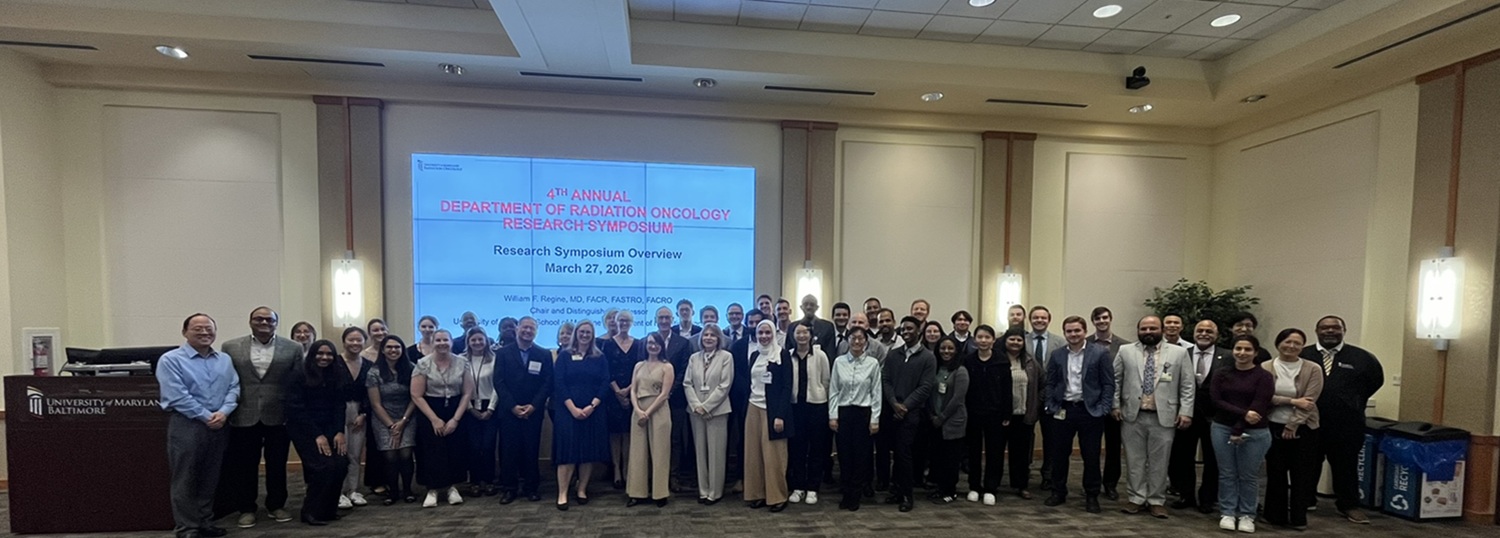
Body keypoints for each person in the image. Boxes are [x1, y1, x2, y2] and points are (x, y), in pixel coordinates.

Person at [159, 313, 240, 538]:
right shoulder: (171, 360)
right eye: (198, 329)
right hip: (187, 424)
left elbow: (234, 387)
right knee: (185, 477)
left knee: (210, 476)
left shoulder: (224, 359)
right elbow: (177, 395)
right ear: (185, 332)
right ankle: (187, 527)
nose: (205, 332)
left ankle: (205, 521)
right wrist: (206, 416)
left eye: (209, 328)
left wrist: (223, 413)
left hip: (220, 424)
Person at [218, 307, 300, 528]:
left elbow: (297, 381)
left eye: (269, 319)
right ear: (250, 322)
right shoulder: (230, 347)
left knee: (277, 464)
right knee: (245, 465)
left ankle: (276, 505)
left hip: (279, 415)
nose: (264, 322)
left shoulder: (293, 348)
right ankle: (246, 508)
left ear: (276, 323)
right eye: (259, 319)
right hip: (244, 413)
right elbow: (225, 379)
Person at [1300, 315, 1383, 524]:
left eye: (1335, 328)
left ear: (1343, 330)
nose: (1329, 331)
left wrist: (1351, 401)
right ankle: (1305, 500)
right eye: (1324, 328)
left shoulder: (1362, 357)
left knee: (1346, 466)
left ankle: (1349, 505)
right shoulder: (1303, 354)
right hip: (1309, 421)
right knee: (1307, 463)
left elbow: (1375, 381)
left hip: (1347, 424)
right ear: (1316, 331)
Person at [1112, 316, 1194, 518]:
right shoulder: (1126, 351)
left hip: (1164, 416)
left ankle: (1157, 500)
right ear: (1138, 330)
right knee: (1134, 460)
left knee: (1160, 461)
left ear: (1162, 329)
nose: (1148, 331)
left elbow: (1187, 385)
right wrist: (1115, 405)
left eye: (1153, 328)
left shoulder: (1179, 353)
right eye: (1144, 328)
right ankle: (1136, 498)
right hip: (1133, 414)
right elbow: (1115, 380)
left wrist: (1185, 411)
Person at [1042, 315, 1112, 514]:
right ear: (1064, 333)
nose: (1073, 334)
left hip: (1089, 411)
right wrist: (1050, 404)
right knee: (1059, 454)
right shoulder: (1057, 355)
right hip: (1063, 410)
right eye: (1069, 331)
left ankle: (1091, 495)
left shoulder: (1099, 353)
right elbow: (1050, 383)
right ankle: (1058, 491)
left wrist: (1104, 408)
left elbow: (1108, 384)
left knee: (1091, 456)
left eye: (1077, 330)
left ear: (1084, 331)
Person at [1210, 334, 1275, 533]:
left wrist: (1239, 427)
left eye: (1247, 350)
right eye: (1238, 349)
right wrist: (1243, 414)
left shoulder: (1264, 376)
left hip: (1255, 432)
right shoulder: (1221, 373)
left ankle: (1247, 514)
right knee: (1227, 473)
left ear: (1255, 353)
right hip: (1222, 428)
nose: (1242, 353)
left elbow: (1260, 404)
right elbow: (1216, 400)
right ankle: (1228, 512)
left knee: (1248, 475)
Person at [282, 340, 349, 526]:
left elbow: (339, 406)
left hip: (329, 427)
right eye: (320, 353)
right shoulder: (298, 375)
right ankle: (310, 511)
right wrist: (316, 435)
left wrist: (338, 432)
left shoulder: (336, 374)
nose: (324, 357)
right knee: (323, 467)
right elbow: (296, 409)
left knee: (341, 464)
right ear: (312, 354)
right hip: (304, 428)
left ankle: (328, 510)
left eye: (329, 354)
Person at [1262, 328, 1323, 531]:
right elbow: (1266, 397)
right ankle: (1274, 516)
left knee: (1301, 474)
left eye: (1297, 343)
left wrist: (1292, 425)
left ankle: (1298, 518)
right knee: (1276, 472)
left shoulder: (1313, 368)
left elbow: (1310, 401)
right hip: (1272, 425)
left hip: (1304, 428)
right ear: (1278, 343)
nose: (1291, 346)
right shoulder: (1266, 367)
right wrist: (1292, 400)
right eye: (1287, 342)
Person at [1168, 320, 1230, 513]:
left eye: (1209, 331)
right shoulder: (1180, 354)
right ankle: (1186, 495)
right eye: (1200, 330)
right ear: (1193, 333)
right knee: (1183, 457)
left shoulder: (1228, 356)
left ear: (1216, 334)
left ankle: (1208, 498)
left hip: (1216, 417)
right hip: (1186, 415)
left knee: (1213, 459)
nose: (1204, 334)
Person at [410, 329, 474, 508]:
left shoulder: (462, 362)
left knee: (455, 449)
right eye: (438, 340)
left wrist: (455, 419)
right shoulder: (423, 364)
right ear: (433, 342)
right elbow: (416, 395)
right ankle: (433, 489)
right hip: (430, 409)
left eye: (445, 339)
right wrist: (434, 419)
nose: (442, 343)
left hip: (455, 408)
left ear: (451, 342)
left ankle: (452, 487)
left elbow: (467, 392)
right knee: (432, 450)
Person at [552, 320, 611, 510]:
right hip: (567, 411)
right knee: (567, 454)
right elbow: (559, 383)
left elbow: (604, 382)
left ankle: (582, 489)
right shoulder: (564, 356)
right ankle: (562, 493)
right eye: (582, 332)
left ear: (593, 335)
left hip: (592, 411)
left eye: (588, 332)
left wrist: (592, 406)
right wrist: (573, 408)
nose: (585, 335)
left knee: (587, 453)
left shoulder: (599, 356)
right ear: (576, 333)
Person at [494, 317, 553, 504]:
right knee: (509, 451)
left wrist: (533, 406)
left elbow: (547, 383)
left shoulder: (543, 354)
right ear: (517, 328)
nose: (527, 331)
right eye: (525, 327)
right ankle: (509, 489)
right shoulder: (503, 353)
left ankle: (531, 488)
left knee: (531, 450)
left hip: (533, 411)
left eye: (531, 328)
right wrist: (513, 406)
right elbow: (499, 381)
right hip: (509, 411)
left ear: (536, 331)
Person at [882, 316, 936, 512]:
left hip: (912, 414)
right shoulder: (893, 354)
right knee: (895, 453)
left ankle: (907, 495)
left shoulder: (928, 357)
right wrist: (894, 404)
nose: (905, 331)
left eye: (909, 328)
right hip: (892, 411)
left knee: (904, 454)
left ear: (919, 331)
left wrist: (905, 406)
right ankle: (896, 490)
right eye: (903, 329)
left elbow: (926, 386)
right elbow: (886, 380)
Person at [744, 320, 794, 512]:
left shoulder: (782, 355)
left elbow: (787, 387)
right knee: (753, 455)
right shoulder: (754, 355)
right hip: (753, 407)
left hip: (773, 411)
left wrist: (780, 415)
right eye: (760, 333)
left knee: (774, 456)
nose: (764, 336)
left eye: (767, 333)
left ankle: (778, 496)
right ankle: (756, 494)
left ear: (773, 334)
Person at [829, 329, 881, 511]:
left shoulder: (873, 364)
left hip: (863, 413)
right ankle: (846, 491)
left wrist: (875, 419)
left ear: (866, 341)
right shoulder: (839, 362)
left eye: (861, 338)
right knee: (844, 455)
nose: (857, 342)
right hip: (843, 413)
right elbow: (833, 391)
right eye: (853, 338)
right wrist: (833, 416)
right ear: (848, 340)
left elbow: (876, 393)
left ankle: (855, 494)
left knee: (861, 456)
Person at [965, 325, 1015, 505]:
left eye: (987, 337)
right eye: (980, 337)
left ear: (993, 340)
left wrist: (1007, 413)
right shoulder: (969, 361)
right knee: (974, 452)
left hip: (996, 414)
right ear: (975, 339)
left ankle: (990, 488)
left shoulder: (1001, 361)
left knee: (995, 452)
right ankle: (974, 486)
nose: (983, 340)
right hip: (973, 413)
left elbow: (1007, 390)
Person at [684, 324, 734, 504]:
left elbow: (725, 385)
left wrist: (707, 406)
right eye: (706, 335)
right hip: (695, 412)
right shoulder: (693, 358)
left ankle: (715, 492)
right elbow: (687, 383)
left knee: (716, 453)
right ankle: (703, 490)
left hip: (718, 411)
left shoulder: (726, 357)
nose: (709, 338)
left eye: (713, 335)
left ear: (719, 338)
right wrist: (697, 405)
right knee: (700, 452)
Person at [626, 332, 675, 507]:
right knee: (638, 452)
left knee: (660, 452)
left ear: (662, 346)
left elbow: (664, 394)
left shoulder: (667, 367)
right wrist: (639, 411)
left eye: (656, 343)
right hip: (638, 410)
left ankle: (660, 493)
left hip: (659, 410)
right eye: (650, 343)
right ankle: (636, 492)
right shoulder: (639, 365)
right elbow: (633, 390)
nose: (653, 346)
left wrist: (648, 412)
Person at [366, 335, 417, 505]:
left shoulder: (411, 369)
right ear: (383, 350)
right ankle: (393, 492)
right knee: (390, 456)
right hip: (382, 418)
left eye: (397, 347)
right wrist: (391, 426)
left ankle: (408, 490)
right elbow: (375, 404)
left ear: (402, 350)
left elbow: (415, 397)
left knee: (405, 453)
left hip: (408, 416)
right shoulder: (374, 372)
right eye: (389, 347)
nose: (393, 350)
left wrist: (403, 421)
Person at [785, 323, 831, 505]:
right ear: (793, 335)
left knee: (816, 449)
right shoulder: (788, 355)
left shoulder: (820, 355)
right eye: (798, 332)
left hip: (817, 407)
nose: (802, 335)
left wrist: (821, 397)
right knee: (797, 448)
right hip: (796, 407)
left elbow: (826, 381)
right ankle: (798, 487)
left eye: (805, 332)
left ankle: (813, 488)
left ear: (811, 335)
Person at [1087, 306, 1129, 501]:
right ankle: (1091, 483)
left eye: (1105, 317)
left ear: (1110, 319)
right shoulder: (1084, 343)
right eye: (1097, 318)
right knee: (1091, 448)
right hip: (1091, 404)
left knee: (1113, 447)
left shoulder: (1125, 346)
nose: (1101, 321)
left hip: (1115, 406)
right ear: (1093, 321)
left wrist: (1116, 404)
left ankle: (1110, 484)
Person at [654, 306, 697, 493]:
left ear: (673, 319)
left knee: (675, 440)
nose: (664, 321)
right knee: (655, 439)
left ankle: (673, 477)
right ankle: (656, 477)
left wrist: (669, 391)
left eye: (667, 318)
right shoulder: (647, 341)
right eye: (661, 318)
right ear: (656, 320)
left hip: (676, 400)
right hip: (651, 401)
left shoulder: (682, 343)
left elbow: (684, 370)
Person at [726, 308, 768, 494]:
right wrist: (749, 388)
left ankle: (765, 480)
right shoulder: (738, 346)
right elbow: (735, 373)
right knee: (743, 440)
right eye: (750, 323)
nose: (752, 326)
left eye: (756, 323)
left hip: (765, 400)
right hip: (742, 399)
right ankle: (742, 478)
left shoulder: (771, 347)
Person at [600, 310, 642, 490]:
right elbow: (605, 370)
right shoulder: (606, 345)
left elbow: (640, 369)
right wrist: (618, 392)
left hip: (634, 394)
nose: (623, 323)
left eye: (627, 320)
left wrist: (629, 390)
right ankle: (616, 470)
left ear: (632, 323)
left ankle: (627, 469)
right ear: (615, 322)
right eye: (620, 320)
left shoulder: (639, 344)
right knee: (615, 435)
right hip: (612, 395)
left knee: (628, 433)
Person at [927, 335, 969, 504]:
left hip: (952, 422)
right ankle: (939, 487)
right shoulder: (935, 368)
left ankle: (950, 491)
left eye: (950, 348)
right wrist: (932, 415)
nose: (946, 351)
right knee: (938, 457)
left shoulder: (960, 371)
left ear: (956, 351)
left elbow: (958, 399)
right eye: (943, 348)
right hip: (934, 420)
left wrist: (942, 418)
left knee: (951, 459)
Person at [335, 327, 373, 510]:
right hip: (337, 411)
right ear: (344, 341)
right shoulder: (334, 362)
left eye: (359, 340)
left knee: (355, 454)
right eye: (351, 340)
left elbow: (370, 393)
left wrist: (364, 414)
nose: (355, 343)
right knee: (339, 453)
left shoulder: (367, 365)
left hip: (359, 412)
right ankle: (339, 492)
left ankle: (353, 490)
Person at [1004, 326, 1043, 499]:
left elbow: (1043, 383)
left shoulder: (1030, 362)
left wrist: (1037, 403)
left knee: (1021, 453)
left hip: (1024, 414)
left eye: (1019, 340)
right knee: (997, 452)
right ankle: (993, 484)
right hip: (1002, 415)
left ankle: (1021, 485)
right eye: (1012, 339)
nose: (1015, 342)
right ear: (1005, 341)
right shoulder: (998, 360)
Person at [1028, 306, 1064, 491]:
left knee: (1051, 438)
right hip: (1027, 397)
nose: (1039, 320)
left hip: (1051, 397)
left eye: (1043, 317)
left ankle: (1048, 475)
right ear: (1030, 320)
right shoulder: (1021, 340)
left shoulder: (1060, 342)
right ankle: (1023, 472)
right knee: (1025, 436)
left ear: (1049, 319)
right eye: (1035, 317)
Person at [462, 327, 500, 496]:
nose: (477, 343)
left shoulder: (495, 359)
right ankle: (475, 481)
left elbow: (497, 385)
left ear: (486, 340)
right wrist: (469, 409)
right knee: (473, 446)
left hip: (490, 406)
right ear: (468, 342)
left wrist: (490, 408)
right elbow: (460, 386)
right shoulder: (461, 360)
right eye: (473, 340)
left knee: (488, 445)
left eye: (480, 339)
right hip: (468, 407)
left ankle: (489, 480)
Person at [358, 319, 391, 497]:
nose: (379, 333)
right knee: (375, 444)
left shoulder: (393, 350)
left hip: (393, 405)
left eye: (382, 329)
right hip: (371, 405)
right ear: (370, 333)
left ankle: (392, 479)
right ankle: (376, 480)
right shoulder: (364, 355)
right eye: (375, 330)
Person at [786, 294, 836, 358]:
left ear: (817, 307)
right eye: (805, 304)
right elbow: (788, 352)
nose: (808, 307)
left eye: (812, 304)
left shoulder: (827, 327)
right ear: (801, 307)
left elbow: (830, 353)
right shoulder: (792, 327)